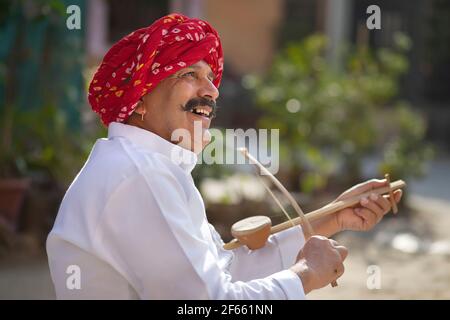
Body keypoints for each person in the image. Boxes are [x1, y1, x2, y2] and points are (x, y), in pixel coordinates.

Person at [46, 13, 402, 299]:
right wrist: (306, 275)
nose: (212, 89)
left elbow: (223, 270)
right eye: (190, 74)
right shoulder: (138, 175)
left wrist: (334, 216)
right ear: (138, 100)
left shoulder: (145, 166)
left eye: (210, 76)